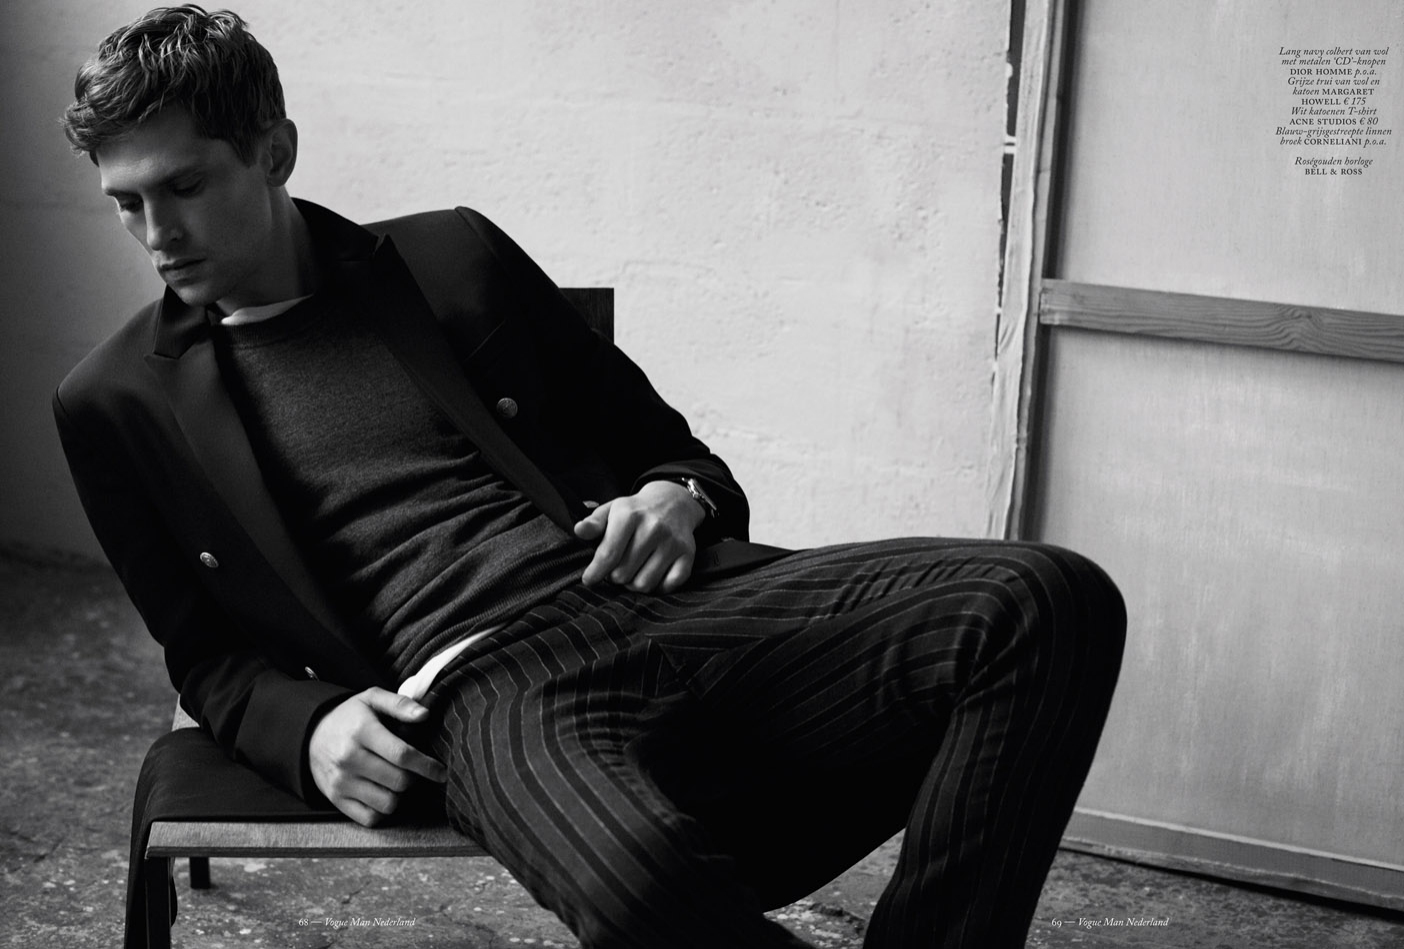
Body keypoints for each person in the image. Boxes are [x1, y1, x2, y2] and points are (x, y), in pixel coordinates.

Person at [55, 6, 1126, 948]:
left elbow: (679, 455)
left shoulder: (450, 257)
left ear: (274, 151)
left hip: (667, 601)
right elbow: (205, 656)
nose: (158, 234)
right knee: (637, 882)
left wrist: (676, 498)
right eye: (126, 202)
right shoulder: (114, 402)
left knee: (1046, 598)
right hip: (482, 689)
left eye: (184, 186)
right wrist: (309, 727)